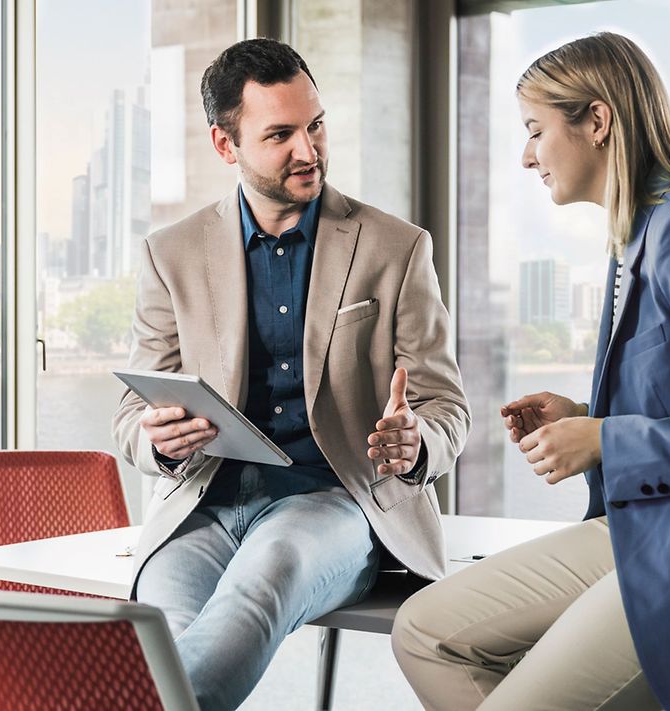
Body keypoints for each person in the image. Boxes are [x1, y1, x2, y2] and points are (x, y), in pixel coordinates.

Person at [389, 32, 670, 711]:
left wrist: (604, 439)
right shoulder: (639, 232)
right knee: (423, 629)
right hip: (658, 526)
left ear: (597, 121)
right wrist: (582, 416)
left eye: (536, 130)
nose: (526, 154)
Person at [110, 38, 468, 711]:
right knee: (168, 640)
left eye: (316, 125)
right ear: (226, 145)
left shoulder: (397, 248)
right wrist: (157, 438)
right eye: (280, 135)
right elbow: (131, 414)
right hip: (203, 505)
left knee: (259, 585)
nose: (309, 150)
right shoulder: (170, 254)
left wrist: (418, 441)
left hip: (334, 502)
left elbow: (446, 405)